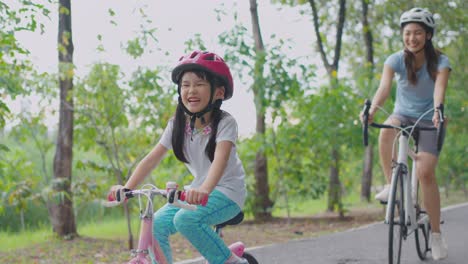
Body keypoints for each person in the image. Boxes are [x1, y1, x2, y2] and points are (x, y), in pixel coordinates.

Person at [109, 50, 248, 264]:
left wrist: (204, 190)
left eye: (199, 84)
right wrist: (127, 188)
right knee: (156, 225)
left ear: (218, 92)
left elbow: (220, 161)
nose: (191, 90)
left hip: (228, 193)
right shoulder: (177, 125)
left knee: (186, 219)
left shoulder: (225, 123)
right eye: (185, 84)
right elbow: (151, 159)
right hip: (198, 191)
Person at [360, 7, 450, 260]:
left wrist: (437, 110)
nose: (412, 38)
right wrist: (372, 110)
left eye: (418, 33)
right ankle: (391, 184)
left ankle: (435, 235)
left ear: (428, 36)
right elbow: (384, 87)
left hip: (429, 118)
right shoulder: (395, 59)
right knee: (387, 131)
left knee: (425, 173)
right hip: (402, 114)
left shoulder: (441, 62)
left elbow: (439, 89)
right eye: (408, 33)